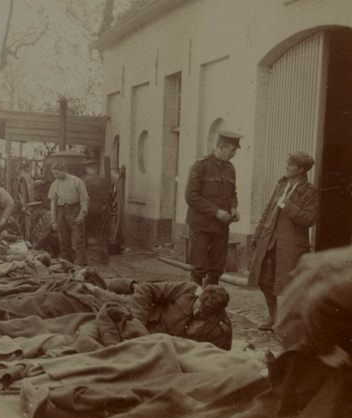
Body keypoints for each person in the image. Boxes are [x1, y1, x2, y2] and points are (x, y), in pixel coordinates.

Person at [248, 151, 318, 331]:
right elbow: (267, 211)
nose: (286, 166)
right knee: (264, 280)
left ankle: (293, 321)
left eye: (291, 164)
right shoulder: (282, 185)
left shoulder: (310, 192)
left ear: (301, 169)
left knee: (290, 286)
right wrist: (257, 234)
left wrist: (288, 205)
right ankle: (273, 316)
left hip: (292, 247)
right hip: (270, 241)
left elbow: (310, 219)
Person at [185, 130, 242, 286]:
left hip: (221, 228)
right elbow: (191, 196)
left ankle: (210, 305)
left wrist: (234, 208)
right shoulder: (200, 166)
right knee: (198, 269)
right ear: (222, 147)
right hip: (201, 227)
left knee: (216, 269)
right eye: (233, 150)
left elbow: (232, 194)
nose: (234, 154)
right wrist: (216, 212)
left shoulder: (230, 168)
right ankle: (194, 305)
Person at [130, 281, 232, 350]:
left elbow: (217, 357)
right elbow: (145, 289)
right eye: (196, 306)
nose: (196, 313)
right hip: (148, 333)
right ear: (198, 296)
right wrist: (139, 326)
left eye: (203, 313)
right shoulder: (188, 289)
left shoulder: (221, 328)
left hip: (172, 353)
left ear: (215, 313)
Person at [48, 161, 89, 267]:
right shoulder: (55, 185)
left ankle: (81, 264)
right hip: (61, 211)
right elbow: (53, 204)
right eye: (54, 174)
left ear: (63, 170)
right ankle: (67, 263)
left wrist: (81, 215)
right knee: (63, 239)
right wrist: (53, 221)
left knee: (78, 238)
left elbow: (84, 200)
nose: (55, 176)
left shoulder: (77, 181)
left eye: (57, 173)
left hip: (74, 210)